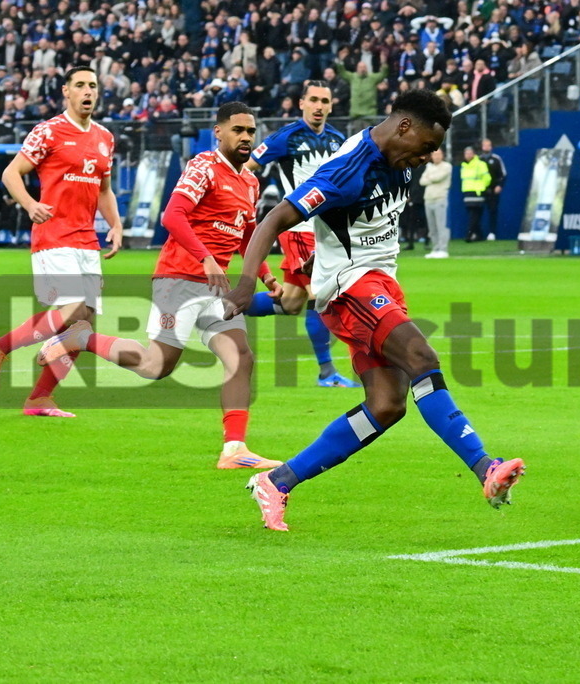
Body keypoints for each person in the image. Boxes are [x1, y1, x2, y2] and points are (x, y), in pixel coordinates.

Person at [223, 90, 525, 531]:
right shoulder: (349, 168)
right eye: (425, 146)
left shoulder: (400, 159)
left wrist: (324, 256)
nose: (426, 157)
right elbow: (274, 218)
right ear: (404, 126)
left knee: (386, 405)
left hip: (381, 283)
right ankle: (484, 467)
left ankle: (277, 481)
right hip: (350, 288)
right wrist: (247, 283)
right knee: (422, 358)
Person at [38, 102, 282, 470]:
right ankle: (81, 338)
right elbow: (172, 215)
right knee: (156, 366)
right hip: (179, 280)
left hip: (216, 288)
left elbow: (247, 235)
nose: (246, 137)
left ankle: (234, 449)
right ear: (218, 132)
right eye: (238, 130)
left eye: (250, 130)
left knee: (240, 357)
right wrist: (205, 257)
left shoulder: (249, 181)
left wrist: (265, 275)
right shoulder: (203, 167)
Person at [0, 66, 123, 418]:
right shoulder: (49, 131)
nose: (88, 91)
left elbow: (104, 189)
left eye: (92, 86)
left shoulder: (105, 137)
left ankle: (40, 398)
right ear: (66, 91)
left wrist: (116, 224)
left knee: (83, 325)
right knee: (72, 308)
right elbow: (11, 173)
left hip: (86, 239)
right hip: (53, 234)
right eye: (80, 85)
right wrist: (30, 204)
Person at [242, 81, 360, 389]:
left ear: (331, 106)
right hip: (298, 228)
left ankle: (219, 308)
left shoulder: (338, 140)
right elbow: (247, 167)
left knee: (292, 302)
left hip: (326, 231)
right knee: (320, 294)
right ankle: (327, 373)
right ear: (302, 103)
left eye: (325, 101)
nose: (319, 106)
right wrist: (238, 200)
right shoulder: (286, 137)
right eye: (314, 100)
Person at [420, 147, 452, 258]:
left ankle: (443, 249)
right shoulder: (429, 167)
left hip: (440, 198)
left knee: (441, 225)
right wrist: (430, 178)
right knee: (432, 227)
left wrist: (430, 178)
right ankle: (436, 248)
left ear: (442, 155)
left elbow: (438, 177)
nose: (437, 156)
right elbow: (422, 181)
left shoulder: (447, 166)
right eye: (435, 154)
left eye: (439, 154)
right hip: (428, 199)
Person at [460, 145, 491, 242]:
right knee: (473, 216)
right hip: (467, 193)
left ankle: (469, 234)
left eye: (470, 153)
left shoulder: (480, 164)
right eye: (466, 153)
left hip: (477, 193)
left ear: (474, 154)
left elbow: (487, 178)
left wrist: (481, 187)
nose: (468, 155)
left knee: (474, 215)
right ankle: (479, 235)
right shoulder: (464, 166)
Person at [480, 137, 507, 241]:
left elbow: (503, 174)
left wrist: (499, 185)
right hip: (481, 190)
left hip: (493, 190)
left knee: (492, 211)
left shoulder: (496, 159)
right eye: (484, 145)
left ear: (491, 147)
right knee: (478, 212)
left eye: (488, 145)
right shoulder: (478, 159)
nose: (486, 147)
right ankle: (478, 233)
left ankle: (492, 232)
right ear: (482, 147)